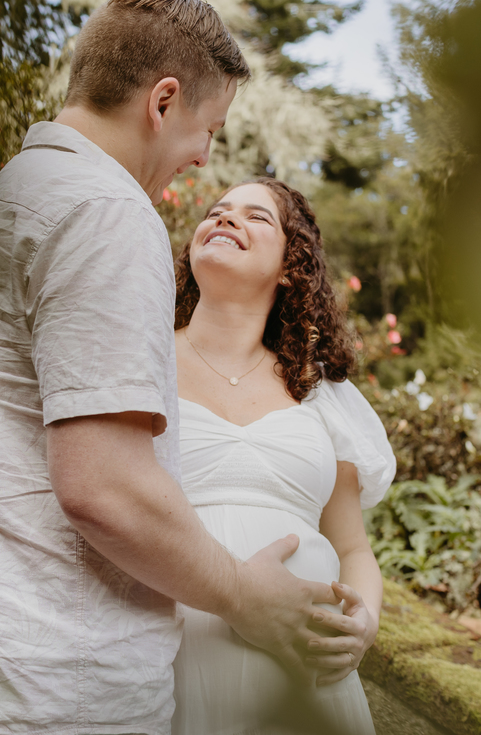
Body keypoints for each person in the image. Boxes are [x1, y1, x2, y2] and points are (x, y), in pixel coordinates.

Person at [0, 0, 348, 734]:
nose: (202, 159)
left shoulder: (4, 200)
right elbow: (105, 487)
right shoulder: (107, 212)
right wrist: (244, 595)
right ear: (162, 102)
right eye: (208, 128)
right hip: (52, 691)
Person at [169, 177, 395, 734]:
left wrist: (362, 623)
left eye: (256, 217)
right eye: (217, 212)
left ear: (292, 266)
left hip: (306, 677)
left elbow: (352, 547)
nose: (225, 219)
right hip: (172, 659)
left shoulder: (320, 391)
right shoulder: (140, 356)